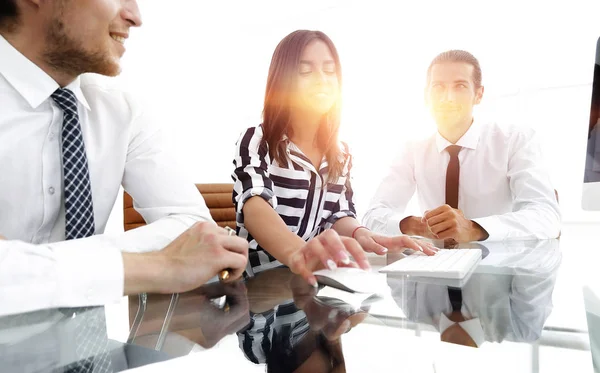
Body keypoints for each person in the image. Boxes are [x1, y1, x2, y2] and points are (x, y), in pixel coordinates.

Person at [0, 0, 248, 317]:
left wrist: (28, 267)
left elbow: (190, 224)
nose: (135, 16)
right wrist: (159, 266)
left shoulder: (122, 111)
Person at [232, 30, 435, 285]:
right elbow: (255, 207)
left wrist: (364, 235)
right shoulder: (258, 140)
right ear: (282, 81)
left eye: (329, 71)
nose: (321, 80)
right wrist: (300, 254)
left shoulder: (341, 153)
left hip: (313, 284)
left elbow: (338, 214)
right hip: (258, 287)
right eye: (305, 72)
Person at [363, 50, 561, 243]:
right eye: (439, 87)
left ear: (479, 95)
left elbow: (546, 217)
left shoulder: (515, 140)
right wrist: (414, 226)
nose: (447, 97)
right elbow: (373, 216)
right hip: (434, 266)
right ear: (426, 95)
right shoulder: (412, 150)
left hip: (499, 267)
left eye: (460, 86)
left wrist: (473, 228)